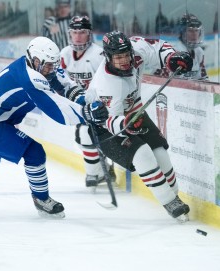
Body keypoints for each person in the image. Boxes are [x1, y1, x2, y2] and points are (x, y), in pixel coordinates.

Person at [0, 36, 108, 218]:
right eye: (47, 65)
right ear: (34, 60)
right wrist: (86, 113)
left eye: (53, 65)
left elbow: (65, 85)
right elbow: (58, 109)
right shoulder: (30, 78)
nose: (51, 69)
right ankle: (42, 200)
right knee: (34, 151)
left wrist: (84, 101)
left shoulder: (41, 66)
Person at [76, 31, 193, 221]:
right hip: (104, 127)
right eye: (118, 57)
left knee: (161, 154)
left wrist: (171, 56)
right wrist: (126, 124)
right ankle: (168, 200)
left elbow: (158, 48)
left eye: (126, 55)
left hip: (134, 112)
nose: (124, 60)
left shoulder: (136, 48)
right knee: (143, 155)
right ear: (108, 57)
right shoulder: (107, 84)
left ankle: (174, 195)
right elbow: (109, 120)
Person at [60, 15, 115, 187]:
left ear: (89, 34)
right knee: (84, 135)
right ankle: (101, 169)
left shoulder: (99, 54)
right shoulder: (64, 54)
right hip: (79, 105)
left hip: (101, 105)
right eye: (74, 32)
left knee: (88, 134)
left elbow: (109, 82)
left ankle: (96, 172)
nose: (77, 36)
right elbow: (60, 82)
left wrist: (96, 102)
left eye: (82, 32)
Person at [154, 13, 208, 80]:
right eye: (190, 30)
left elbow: (203, 79)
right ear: (182, 32)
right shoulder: (172, 52)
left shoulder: (199, 52)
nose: (194, 34)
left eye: (196, 30)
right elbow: (159, 80)